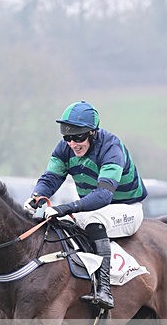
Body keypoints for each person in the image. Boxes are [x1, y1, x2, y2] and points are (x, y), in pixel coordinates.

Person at [24, 100, 147, 310]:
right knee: (57, 223)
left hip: (126, 208)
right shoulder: (64, 148)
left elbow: (103, 196)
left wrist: (64, 208)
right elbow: (51, 178)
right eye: (67, 137)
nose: (72, 143)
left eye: (78, 137)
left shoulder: (111, 148)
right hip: (93, 207)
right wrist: (37, 197)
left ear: (92, 133)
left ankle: (104, 290)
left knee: (94, 221)